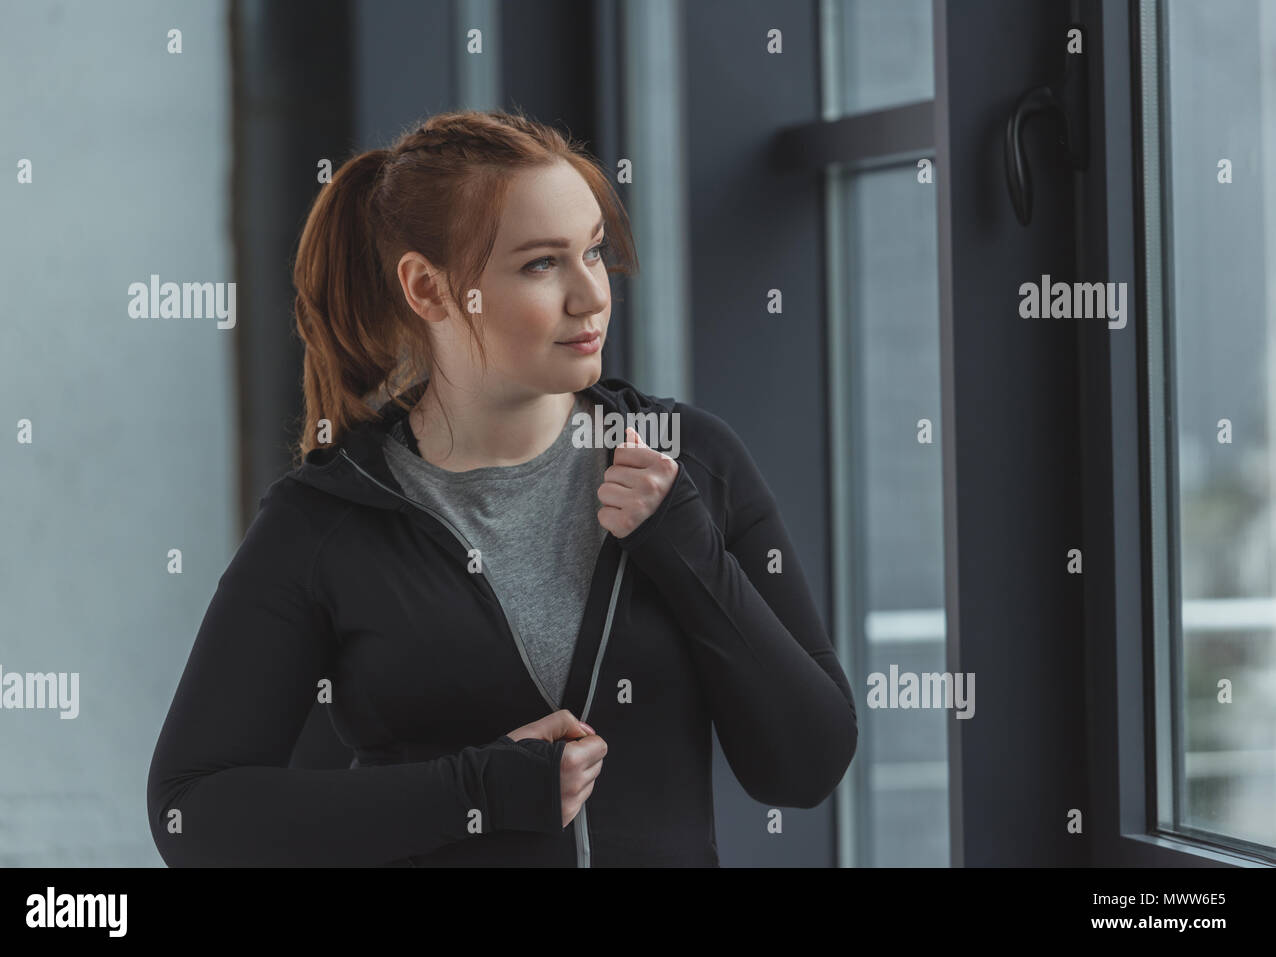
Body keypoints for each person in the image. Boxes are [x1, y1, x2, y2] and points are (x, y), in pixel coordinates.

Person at [146, 107, 858, 867]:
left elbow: (806, 764)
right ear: (428, 288)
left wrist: (687, 548)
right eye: (541, 264)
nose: (591, 296)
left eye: (593, 251)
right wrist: (473, 791)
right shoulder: (324, 521)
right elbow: (193, 809)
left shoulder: (693, 463)